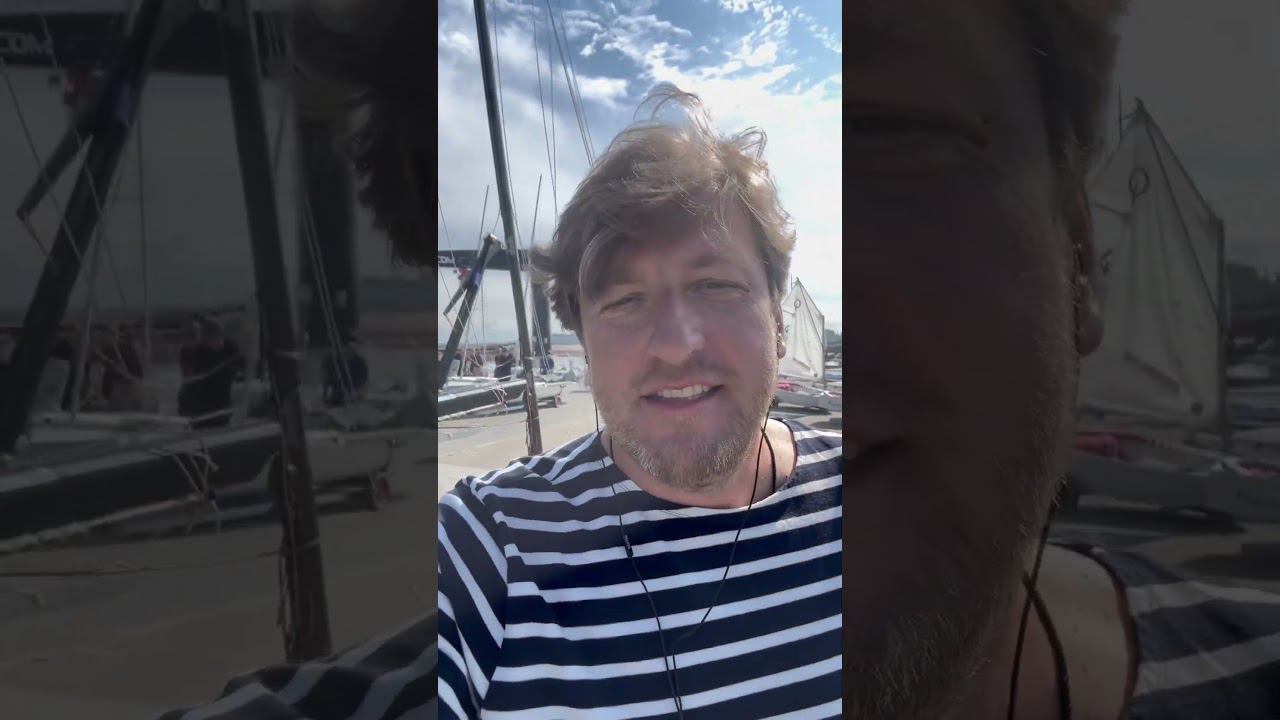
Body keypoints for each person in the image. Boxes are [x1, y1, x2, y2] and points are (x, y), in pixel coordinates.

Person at [156, 1, 1280, 719]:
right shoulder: (493, 556)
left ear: (1077, 257)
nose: (678, 343)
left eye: (885, 129)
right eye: (622, 300)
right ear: (576, 334)